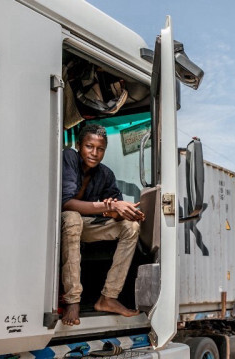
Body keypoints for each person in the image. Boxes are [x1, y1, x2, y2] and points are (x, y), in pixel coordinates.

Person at [61, 123, 145, 326]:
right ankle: (73, 300)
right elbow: (67, 202)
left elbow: (112, 212)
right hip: (59, 225)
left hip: (87, 227)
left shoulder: (106, 174)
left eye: (100, 149)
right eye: (89, 147)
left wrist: (122, 212)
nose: (94, 153)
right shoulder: (69, 157)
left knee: (130, 228)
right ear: (79, 145)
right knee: (72, 217)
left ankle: (108, 297)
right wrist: (107, 207)